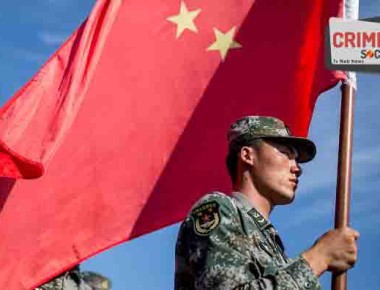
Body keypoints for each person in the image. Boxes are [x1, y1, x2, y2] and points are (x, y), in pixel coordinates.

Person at [174, 116, 359, 289]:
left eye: (296, 160)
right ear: (248, 156)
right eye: (285, 153)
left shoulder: (272, 245)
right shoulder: (219, 209)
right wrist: (319, 257)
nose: (296, 168)